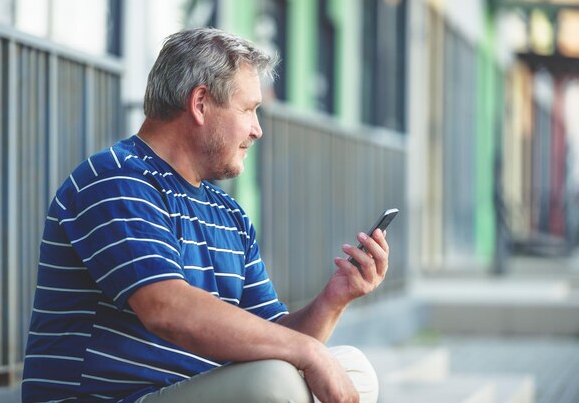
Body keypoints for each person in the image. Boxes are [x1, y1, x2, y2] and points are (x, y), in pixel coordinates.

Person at [22, 27, 390, 403]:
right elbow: (166, 308)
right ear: (200, 103)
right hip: (115, 399)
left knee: (353, 369)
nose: (258, 130)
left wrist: (334, 297)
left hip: (194, 391)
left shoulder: (227, 212)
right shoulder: (116, 179)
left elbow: (274, 335)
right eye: (248, 109)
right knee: (275, 384)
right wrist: (308, 353)